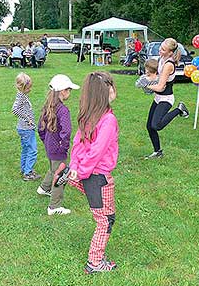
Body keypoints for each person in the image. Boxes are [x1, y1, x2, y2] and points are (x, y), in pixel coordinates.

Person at [68, 71, 119, 273]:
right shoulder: (108, 120)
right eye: (112, 86)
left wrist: (75, 167)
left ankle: (96, 258)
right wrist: (79, 170)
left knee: (103, 217)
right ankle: (95, 262)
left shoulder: (88, 116)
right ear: (104, 92)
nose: (115, 90)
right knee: (105, 220)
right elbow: (95, 151)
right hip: (98, 178)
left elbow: (78, 145)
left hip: (89, 176)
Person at [37, 74, 80, 215]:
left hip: (50, 147)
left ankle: (43, 188)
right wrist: (64, 147)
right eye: (69, 90)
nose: (70, 93)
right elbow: (66, 131)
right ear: (63, 91)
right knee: (60, 175)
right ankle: (54, 206)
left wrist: (46, 141)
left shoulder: (47, 106)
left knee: (52, 168)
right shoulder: (63, 110)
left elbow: (40, 128)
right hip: (58, 149)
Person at [144, 38, 189, 159]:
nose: (160, 50)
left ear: (170, 52)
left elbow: (160, 86)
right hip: (158, 98)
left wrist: (146, 86)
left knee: (156, 125)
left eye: (163, 49)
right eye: (161, 47)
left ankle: (179, 109)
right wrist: (147, 77)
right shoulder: (161, 59)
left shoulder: (169, 64)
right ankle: (158, 152)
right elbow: (156, 77)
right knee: (149, 126)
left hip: (166, 99)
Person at [12, 73, 41, 181]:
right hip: (26, 129)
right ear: (22, 87)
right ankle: (28, 173)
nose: (30, 89)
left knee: (25, 149)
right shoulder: (21, 97)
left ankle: (24, 168)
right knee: (32, 150)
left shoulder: (22, 95)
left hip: (24, 128)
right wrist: (27, 118)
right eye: (28, 88)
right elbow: (14, 110)